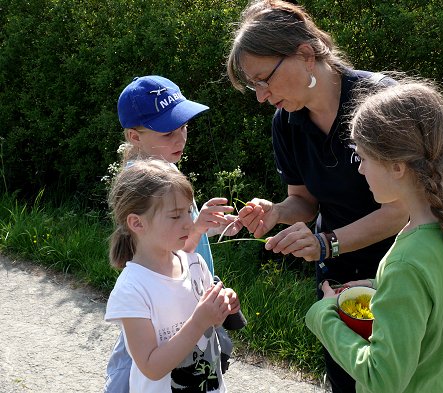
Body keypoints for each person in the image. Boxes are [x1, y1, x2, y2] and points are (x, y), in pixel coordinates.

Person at [226, 1, 408, 391]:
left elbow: (402, 210)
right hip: (338, 282)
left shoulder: (379, 100)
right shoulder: (286, 122)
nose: (260, 96)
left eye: (264, 79)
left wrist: (326, 244)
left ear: (306, 55)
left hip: (402, 272)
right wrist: (275, 212)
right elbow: (305, 201)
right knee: (346, 382)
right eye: (253, 86)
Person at [305, 80, 443, 392]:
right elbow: (436, 293)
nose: (360, 169)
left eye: (363, 157)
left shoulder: (405, 264)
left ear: (396, 167)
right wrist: (379, 289)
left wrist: (324, 315)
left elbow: (383, 379)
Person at [104, 75, 244, 392]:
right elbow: (168, 247)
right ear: (134, 136)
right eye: (168, 131)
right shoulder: (143, 186)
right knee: (137, 374)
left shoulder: (168, 171)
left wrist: (210, 223)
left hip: (186, 290)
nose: (180, 137)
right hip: (159, 305)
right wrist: (196, 227)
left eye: (183, 126)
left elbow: (182, 240)